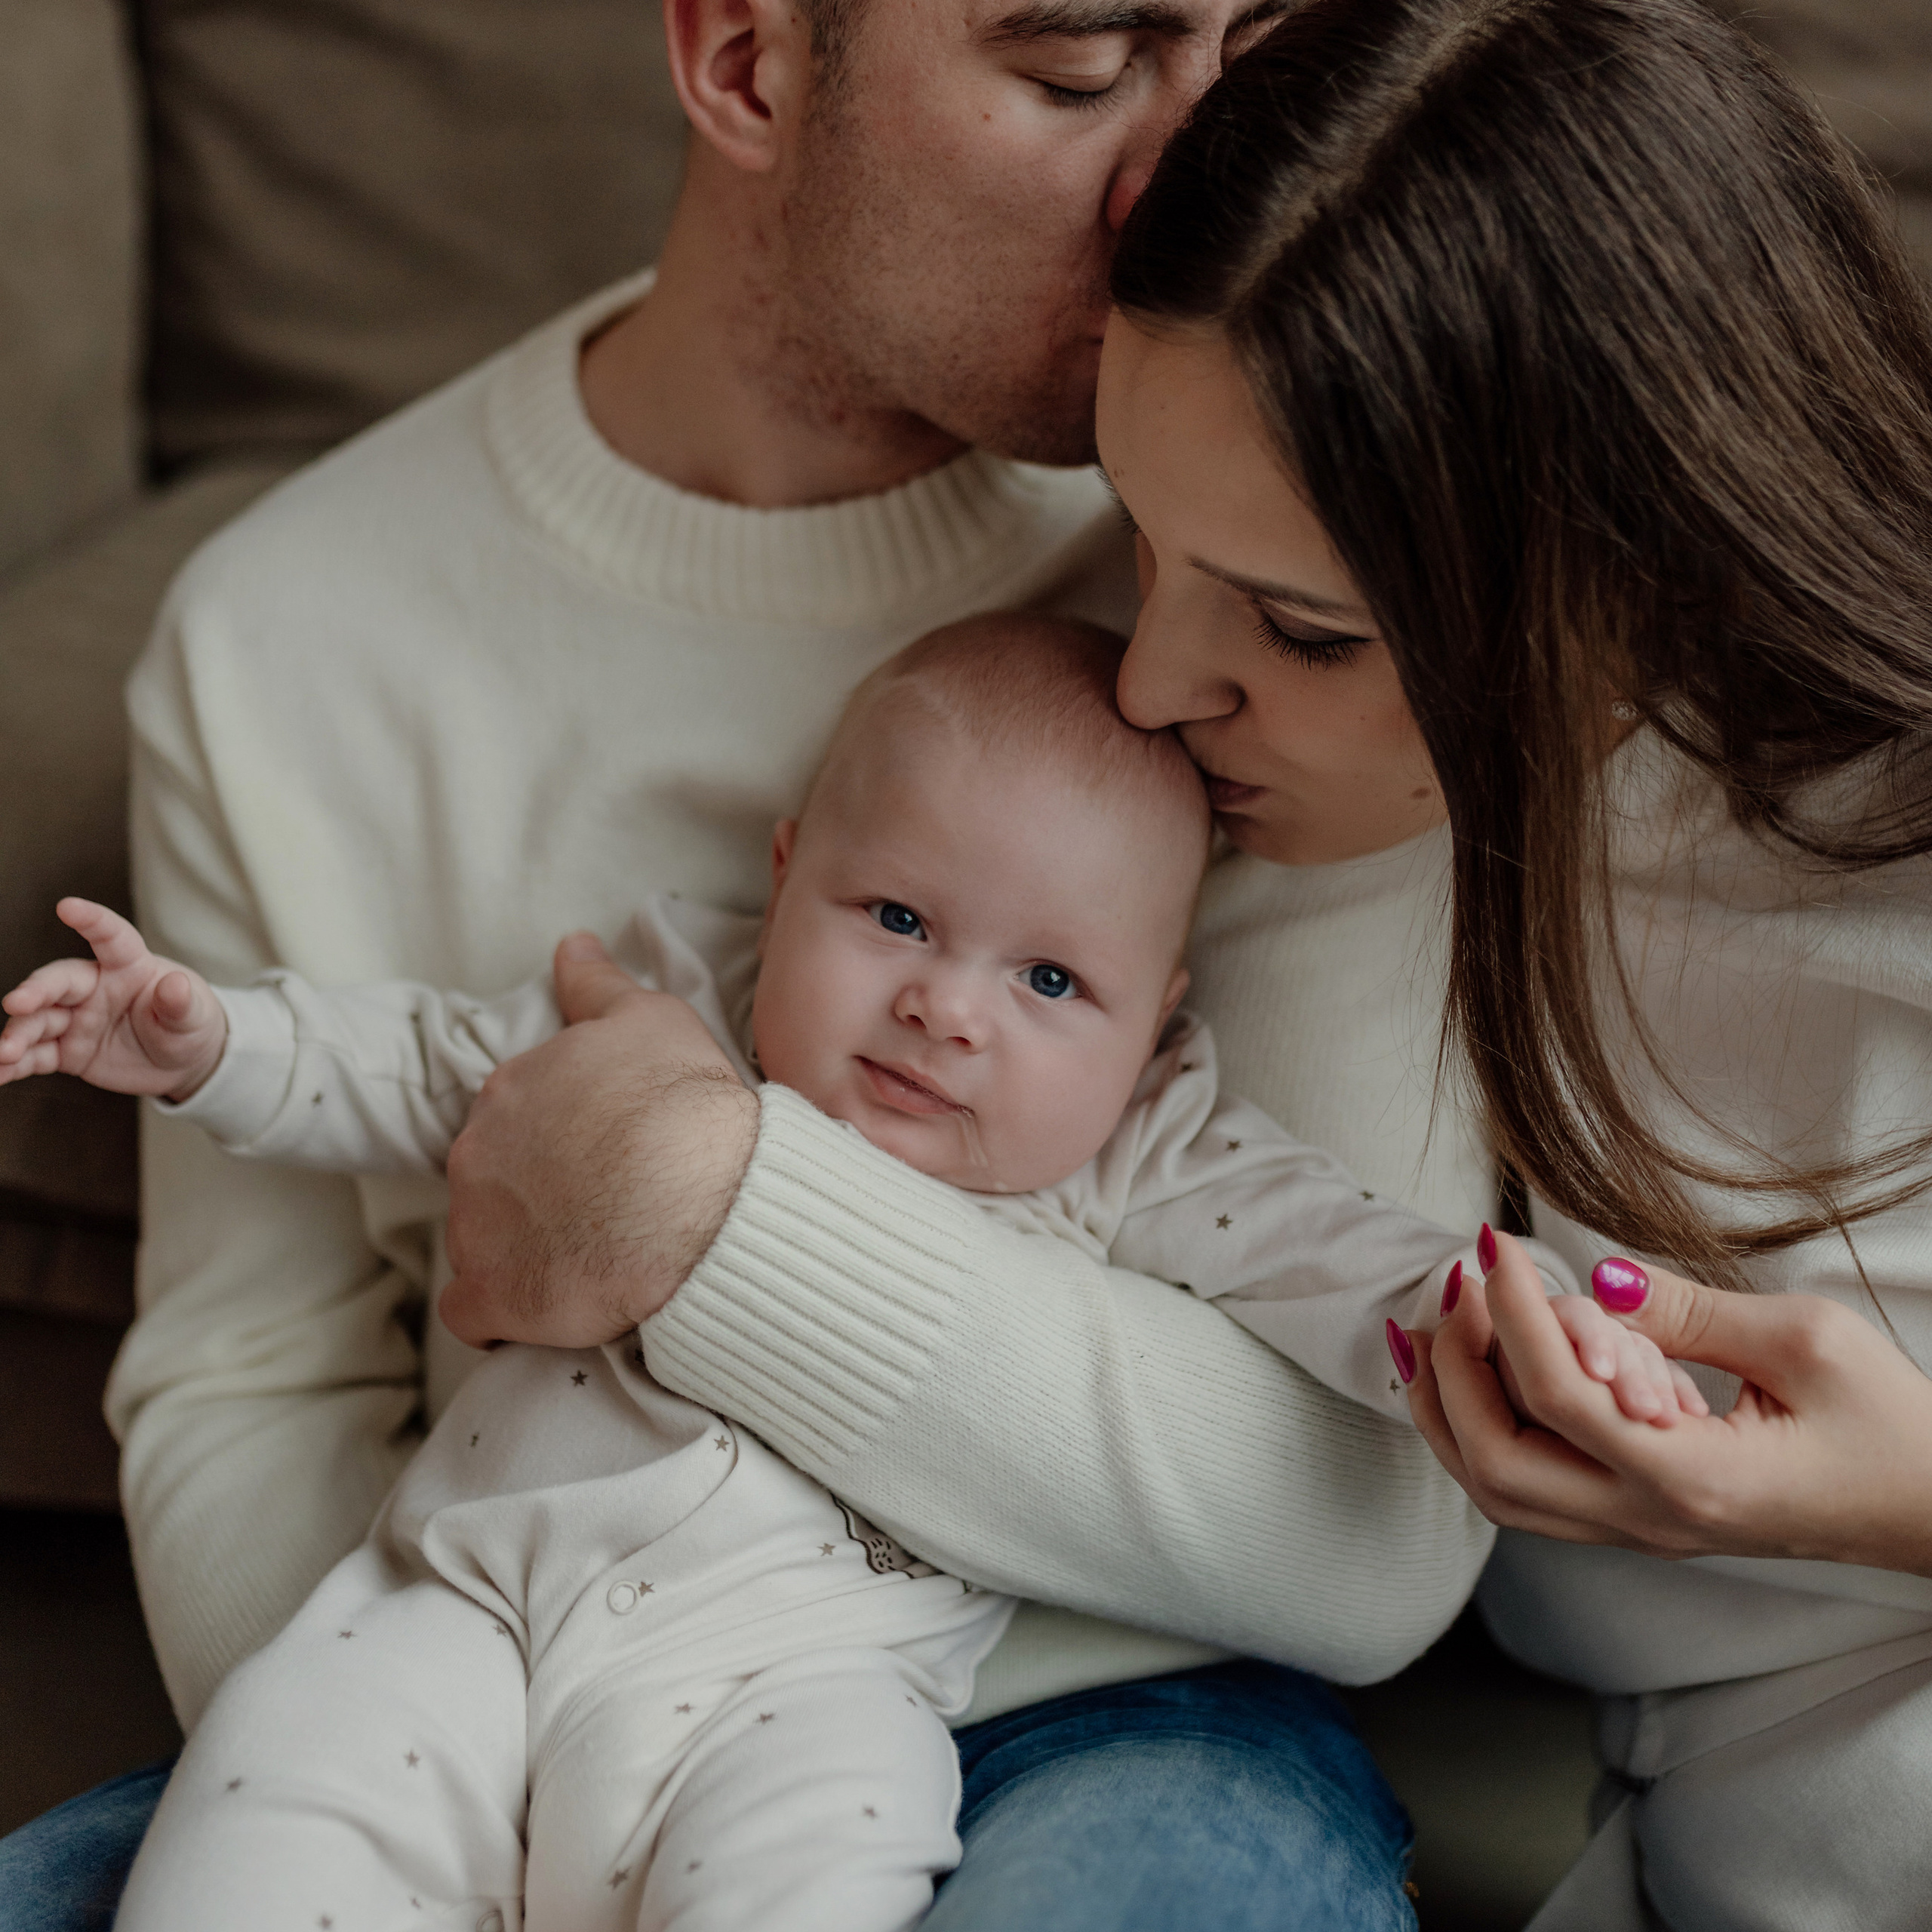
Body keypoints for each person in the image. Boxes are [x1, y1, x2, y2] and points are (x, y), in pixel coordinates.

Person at [6, 615, 1627, 1929]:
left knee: (810, 1868)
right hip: (470, 1603)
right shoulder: (672, 1000)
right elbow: (425, 1065)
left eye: (1051, 976)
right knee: (278, 1790)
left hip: (811, 1683)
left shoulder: (1148, 1142)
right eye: (897, 913)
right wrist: (214, 1041)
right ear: (783, 877)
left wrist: (1491, 1317)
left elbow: (1335, 1256)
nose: (947, 1005)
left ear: (1154, 1018)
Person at [1079, 2, 1932, 1927]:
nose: (1149, 684)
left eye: (1299, 630)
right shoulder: (1272, 841)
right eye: (1139, 544)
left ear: (1647, 556)